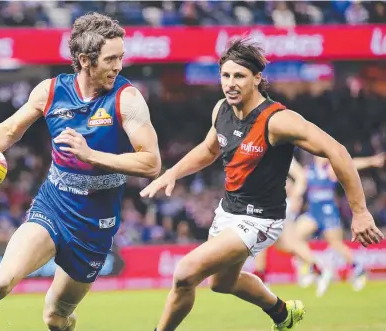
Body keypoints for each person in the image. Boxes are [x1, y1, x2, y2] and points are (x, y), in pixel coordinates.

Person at [140, 38, 384, 331]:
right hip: (228, 211)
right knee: (222, 284)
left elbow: (338, 152)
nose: (230, 83)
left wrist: (359, 211)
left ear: (257, 78)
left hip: (260, 219)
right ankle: (282, 312)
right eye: (225, 75)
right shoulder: (222, 109)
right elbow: (209, 150)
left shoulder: (278, 120)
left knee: (184, 273)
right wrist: (172, 173)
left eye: (239, 76)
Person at [0, 12, 161, 331]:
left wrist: (92, 155)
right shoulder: (50, 92)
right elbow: (9, 131)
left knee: (56, 317)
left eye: (121, 57)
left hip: (95, 225)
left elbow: (151, 163)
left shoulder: (127, 99)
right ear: (85, 60)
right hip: (53, 208)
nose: (119, 66)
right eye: (111, 58)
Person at [293, 153, 385, 296]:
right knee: (296, 236)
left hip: (329, 213)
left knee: (336, 244)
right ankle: (311, 267)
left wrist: (371, 161)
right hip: (313, 214)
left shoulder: (330, 170)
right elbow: (299, 185)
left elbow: (351, 164)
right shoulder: (308, 171)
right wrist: (296, 196)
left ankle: (358, 269)